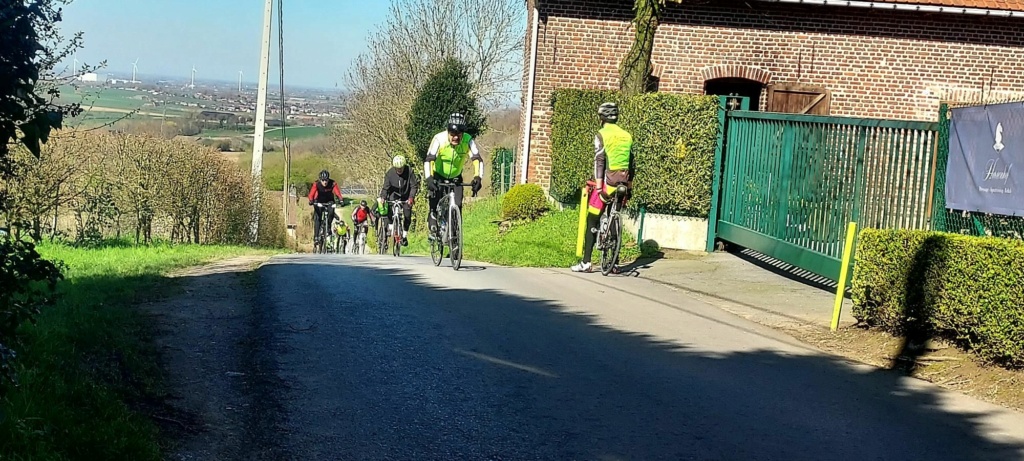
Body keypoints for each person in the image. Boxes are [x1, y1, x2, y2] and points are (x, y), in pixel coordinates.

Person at [571, 102, 635, 273]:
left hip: (608, 183)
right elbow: (632, 163)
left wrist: (599, 187)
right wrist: (629, 185)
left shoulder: (602, 134)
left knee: (592, 218)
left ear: (601, 117)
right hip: (623, 183)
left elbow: (600, 161)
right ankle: (614, 263)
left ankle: (586, 263)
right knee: (615, 215)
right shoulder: (627, 135)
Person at [423, 112, 484, 238]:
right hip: (438, 175)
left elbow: (477, 159)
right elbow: (429, 160)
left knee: (458, 205)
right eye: (452, 134)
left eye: (459, 134)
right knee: (435, 199)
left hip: (456, 177)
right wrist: (429, 178)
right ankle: (433, 214)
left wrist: (478, 177)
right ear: (448, 131)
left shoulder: (468, 140)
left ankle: (455, 236)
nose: (456, 137)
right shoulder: (439, 139)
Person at [379, 154, 420, 246]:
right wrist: (383, 197)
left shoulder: (409, 171)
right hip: (394, 195)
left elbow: (414, 186)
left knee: (407, 215)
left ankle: (404, 235)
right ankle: (390, 225)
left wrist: (411, 198)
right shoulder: (389, 173)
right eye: (397, 168)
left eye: (401, 168)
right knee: (389, 206)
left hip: (406, 195)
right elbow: (385, 188)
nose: (399, 170)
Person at [307, 170, 343, 246]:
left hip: (329, 201)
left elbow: (337, 192)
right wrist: (311, 200)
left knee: (331, 211)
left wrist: (341, 200)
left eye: (326, 180)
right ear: (320, 180)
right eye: (323, 180)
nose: (325, 182)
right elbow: (311, 194)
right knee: (317, 218)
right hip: (319, 201)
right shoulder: (316, 184)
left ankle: (328, 226)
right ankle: (316, 237)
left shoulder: (333, 183)